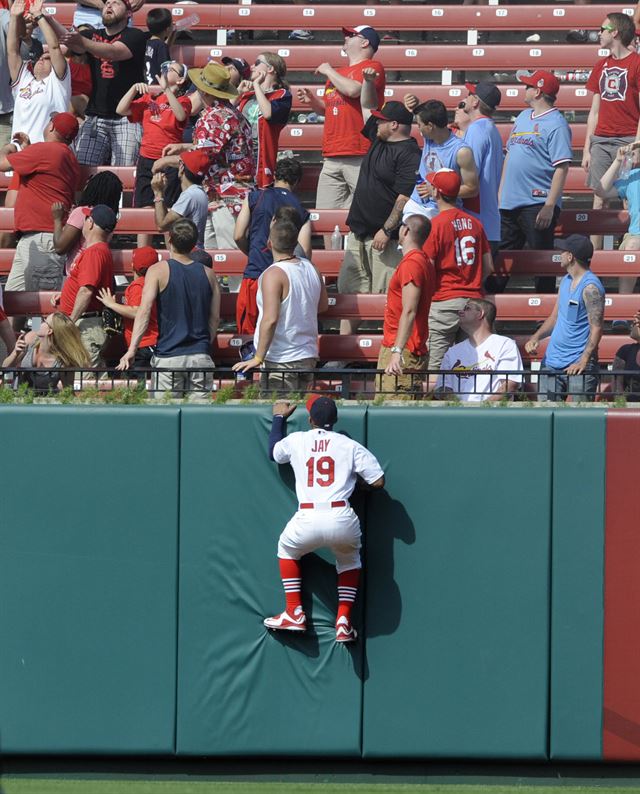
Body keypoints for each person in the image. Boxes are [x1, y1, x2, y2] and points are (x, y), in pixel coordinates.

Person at [264, 395, 385, 641]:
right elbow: (378, 481)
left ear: (310, 419)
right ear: (336, 420)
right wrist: (360, 486)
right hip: (341, 514)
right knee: (350, 561)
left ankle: (294, 612)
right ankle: (343, 620)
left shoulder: (298, 440)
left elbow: (274, 453)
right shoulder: (348, 445)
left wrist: (278, 418)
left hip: (308, 514)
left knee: (287, 550)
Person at [338, 95, 421, 335]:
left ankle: (385, 354)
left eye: (381, 121)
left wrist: (386, 230)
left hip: (387, 239)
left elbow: (403, 198)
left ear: (394, 125)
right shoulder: (379, 140)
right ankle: (343, 354)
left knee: (388, 299)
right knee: (351, 297)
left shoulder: (409, 153)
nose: (375, 125)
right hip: (358, 233)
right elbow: (366, 104)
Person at [154, 62, 254, 251]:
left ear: (205, 92)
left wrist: (164, 162)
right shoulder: (231, 113)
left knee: (227, 262)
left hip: (226, 199)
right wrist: (184, 146)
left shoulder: (215, 117)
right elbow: (216, 150)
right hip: (227, 197)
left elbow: (200, 159)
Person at [297, 26, 385, 238]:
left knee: (362, 217)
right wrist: (314, 103)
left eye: (351, 35)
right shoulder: (338, 73)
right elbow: (332, 109)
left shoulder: (373, 67)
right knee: (327, 220)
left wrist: (328, 70)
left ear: (365, 42)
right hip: (332, 154)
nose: (346, 38)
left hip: (358, 152)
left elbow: (354, 90)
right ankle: (331, 269)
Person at [117, 218, 221, 399]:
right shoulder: (209, 274)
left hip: (169, 357)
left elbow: (144, 311)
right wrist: (203, 344)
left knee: (166, 420)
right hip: (200, 356)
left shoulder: (157, 270)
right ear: (194, 243)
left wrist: (132, 349)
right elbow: (214, 318)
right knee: (200, 421)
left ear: (170, 240)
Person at [0, 112, 80, 323]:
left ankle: (39, 355)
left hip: (42, 240)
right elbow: (43, 171)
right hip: (37, 240)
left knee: (43, 317)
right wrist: (28, 149)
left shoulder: (46, 151)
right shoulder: (66, 154)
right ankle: (10, 354)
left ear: (52, 127)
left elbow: (2, 164)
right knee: (13, 307)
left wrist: (9, 148)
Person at [232, 219, 328, 393]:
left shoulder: (273, 274)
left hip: (281, 360)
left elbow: (270, 319)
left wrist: (258, 356)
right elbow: (322, 306)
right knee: (299, 414)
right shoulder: (312, 268)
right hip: (307, 355)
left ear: (269, 243)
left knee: (277, 413)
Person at [498, 70, 572, 294]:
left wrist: (550, 205)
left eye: (528, 86)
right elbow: (510, 154)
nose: (525, 88)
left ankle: (544, 317)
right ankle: (488, 313)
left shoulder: (557, 123)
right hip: (509, 201)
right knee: (500, 261)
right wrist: (501, 192)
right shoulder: (522, 117)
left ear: (538, 91)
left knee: (543, 263)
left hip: (537, 202)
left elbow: (562, 167)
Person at [116, 59, 197, 246]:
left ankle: (174, 255)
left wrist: (167, 91)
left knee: (169, 210)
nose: (166, 70)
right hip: (146, 159)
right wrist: (134, 89)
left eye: (172, 69)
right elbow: (121, 110)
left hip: (168, 161)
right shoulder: (149, 99)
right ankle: (142, 257)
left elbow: (181, 116)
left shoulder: (183, 100)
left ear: (181, 79)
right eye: (165, 67)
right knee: (145, 209)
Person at [59, 0, 147, 167]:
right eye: (107, 2)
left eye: (116, 3)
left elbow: (114, 52)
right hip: (95, 117)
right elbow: (66, 40)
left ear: (129, 13)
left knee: (124, 175)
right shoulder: (92, 35)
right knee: (83, 174)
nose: (109, 5)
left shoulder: (136, 35)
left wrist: (82, 42)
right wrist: (44, 17)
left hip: (127, 119)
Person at [423, 168, 494, 372]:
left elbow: (427, 267)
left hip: (443, 301)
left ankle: (434, 403)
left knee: (435, 365)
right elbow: (489, 266)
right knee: (470, 364)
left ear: (436, 192)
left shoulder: (435, 225)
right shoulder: (475, 223)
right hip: (474, 302)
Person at [233, 157, 311, 334]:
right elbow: (304, 253)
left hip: (256, 273)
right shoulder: (301, 210)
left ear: (274, 176)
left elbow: (238, 235)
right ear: (297, 181)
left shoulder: (255, 197)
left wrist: (253, 251)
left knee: (249, 339)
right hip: (286, 281)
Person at [525, 235, 605, 402]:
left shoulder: (590, 287)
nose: (559, 255)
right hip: (552, 361)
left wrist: (584, 360)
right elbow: (555, 317)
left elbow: (596, 328)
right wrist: (536, 337)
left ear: (570, 257)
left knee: (578, 422)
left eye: (562, 251)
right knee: (546, 420)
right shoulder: (566, 281)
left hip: (578, 365)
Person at [583, 11, 640, 248]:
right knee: (599, 198)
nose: (598, 33)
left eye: (602, 29)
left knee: (629, 199)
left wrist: (637, 145)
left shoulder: (637, 63)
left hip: (627, 139)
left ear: (614, 32)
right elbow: (594, 111)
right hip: (601, 139)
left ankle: (628, 250)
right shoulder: (600, 65)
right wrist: (587, 147)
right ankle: (593, 260)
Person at [377, 214, 435, 397]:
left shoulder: (413, 263)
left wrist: (396, 351)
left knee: (391, 408)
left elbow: (409, 310)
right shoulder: (422, 261)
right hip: (403, 347)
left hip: (404, 350)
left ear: (406, 230)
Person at [56, 204, 115, 366]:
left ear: (90, 223)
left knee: (86, 382)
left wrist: (70, 321)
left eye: (87, 218)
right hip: (86, 323)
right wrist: (66, 295)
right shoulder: (98, 250)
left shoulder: (94, 252)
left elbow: (86, 291)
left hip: (85, 326)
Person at [401, 98, 479, 221]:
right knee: (406, 235)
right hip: (417, 203)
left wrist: (436, 191)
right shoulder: (429, 137)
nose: (419, 129)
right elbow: (420, 112)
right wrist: (412, 101)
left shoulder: (461, 151)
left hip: (442, 210)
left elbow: (472, 189)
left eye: (420, 125)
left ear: (430, 126)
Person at [435, 299, 523, 402]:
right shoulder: (452, 351)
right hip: (459, 414)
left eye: (467, 308)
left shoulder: (505, 344)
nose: (460, 312)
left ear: (480, 314)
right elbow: (443, 388)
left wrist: (483, 408)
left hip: (493, 413)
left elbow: (510, 384)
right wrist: (460, 407)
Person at [96, 245, 159, 377]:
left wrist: (111, 305)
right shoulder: (154, 282)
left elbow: (137, 311)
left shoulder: (138, 285)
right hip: (151, 343)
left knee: (142, 389)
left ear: (133, 265)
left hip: (144, 344)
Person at [456, 81, 504, 256]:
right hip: (487, 222)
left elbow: (468, 176)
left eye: (469, 95)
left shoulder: (476, 129)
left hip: (476, 222)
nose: (466, 98)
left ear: (475, 102)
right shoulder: (490, 128)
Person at [235, 52, 292, 189]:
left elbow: (267, 113)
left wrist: (256, 85)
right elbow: (225, 114)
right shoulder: (247, 95)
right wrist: (238, 93)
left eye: (257, 62)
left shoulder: (282, 95)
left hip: (260, 158)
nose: (252, 67)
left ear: (270, 69)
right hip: (239, 155)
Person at [51, 170, 123, 271]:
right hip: (97, 269)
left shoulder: (82, 212)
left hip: (77, 274)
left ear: (93, 188)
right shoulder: (109, 218)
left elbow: (59, 247)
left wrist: (57, 219)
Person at [2, 312, 89, 391]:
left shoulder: (63, 361)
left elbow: (68, 391)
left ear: (49, 331)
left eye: (44, 321)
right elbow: (5, 368)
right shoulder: (30, 339)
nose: (40, 323)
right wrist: (15, 353)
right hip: (20, 398)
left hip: (47, 401)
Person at [596, 142, 640, 294]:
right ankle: (622, 312)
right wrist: (618, 161)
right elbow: (601, 191)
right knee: (633, 245)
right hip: (637, 235)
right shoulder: (633, 176)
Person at [151, 148, 210, 248]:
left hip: (189, 255)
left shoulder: (189, 195)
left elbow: (161, 226)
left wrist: (158, 193)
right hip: (195, 252)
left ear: (182, 168)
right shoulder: (198, 192)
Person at [608, 311, 640, 400]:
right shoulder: (625, 351)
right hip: (632, 406)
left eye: (636, 323)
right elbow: (617, 382)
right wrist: (621, 404)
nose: (632, 326)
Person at [144, 7, 173, 86]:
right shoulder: (161, 46)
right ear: (167, 29)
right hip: (157, 88)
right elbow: (165, 69)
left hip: (145, 86)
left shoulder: (146, 42)